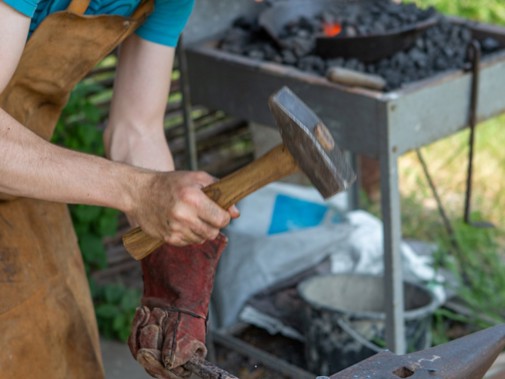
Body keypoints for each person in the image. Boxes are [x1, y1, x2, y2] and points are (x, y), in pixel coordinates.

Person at [0, 0, 237, 378]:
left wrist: (171, 251)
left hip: (24, 178)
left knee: (60, 349)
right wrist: (138, 191)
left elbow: (136, 129)